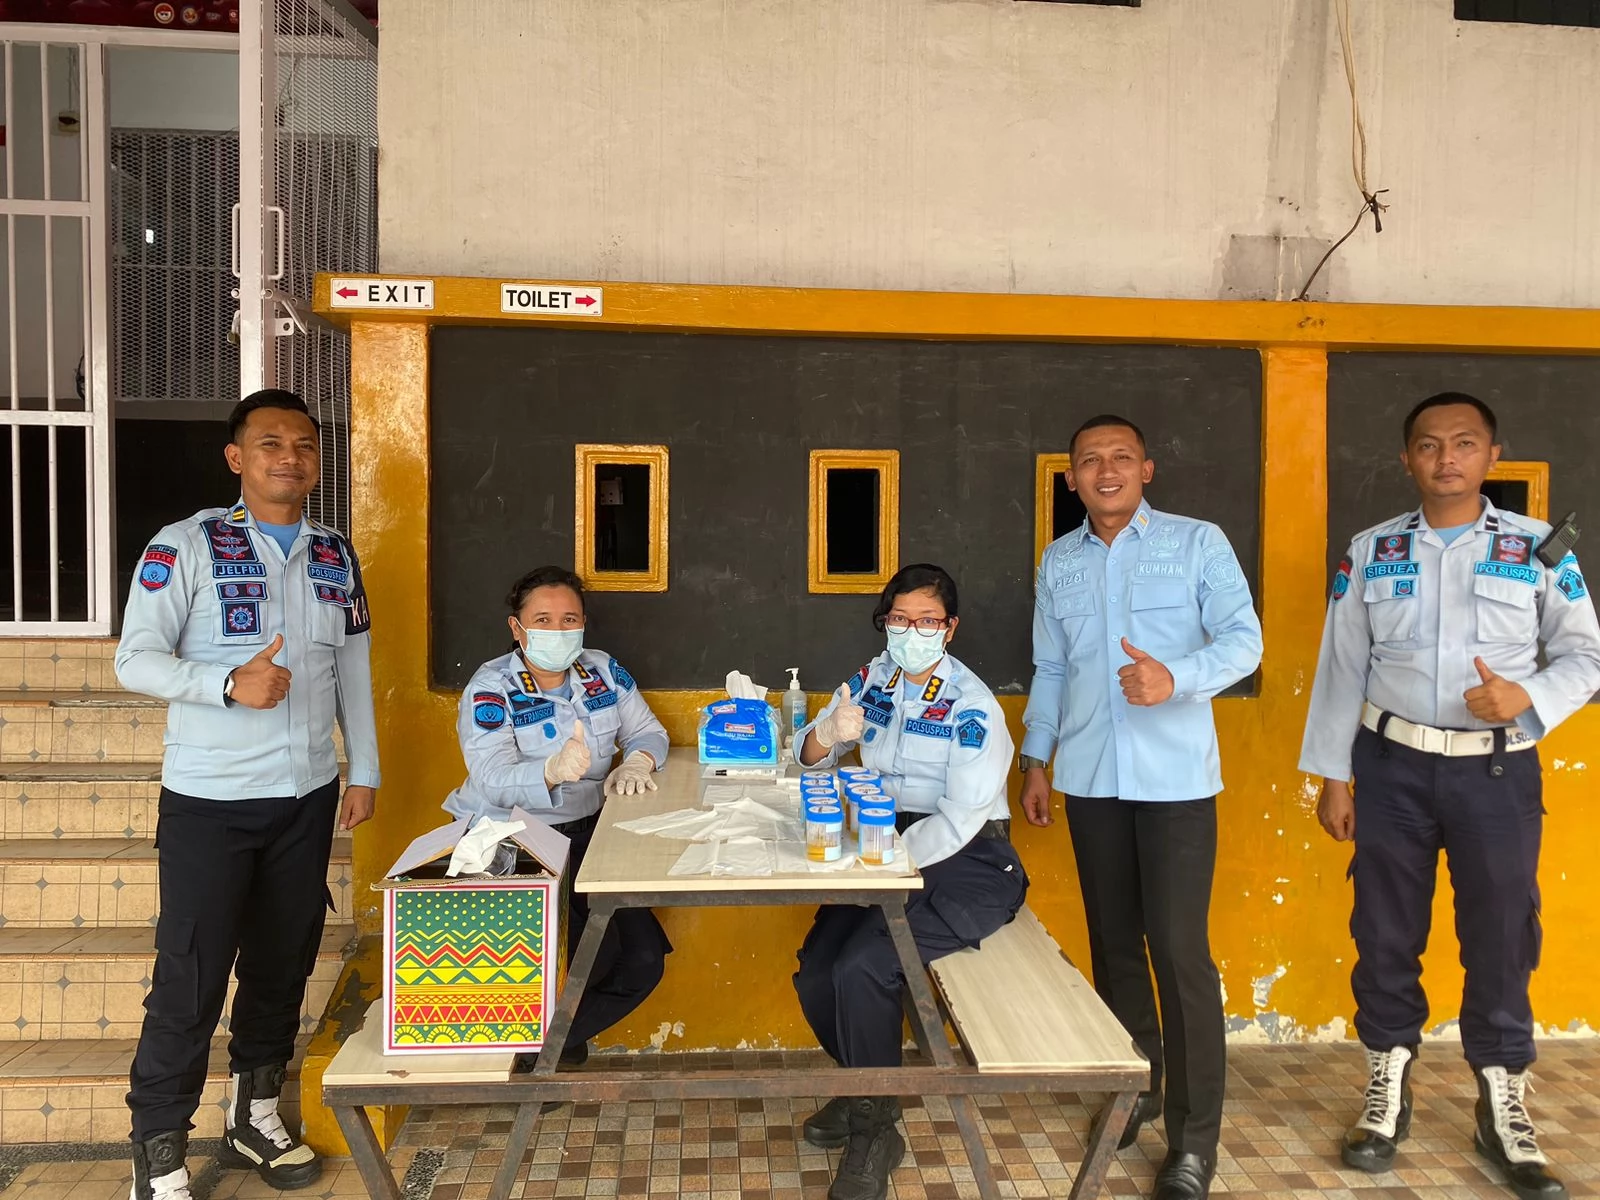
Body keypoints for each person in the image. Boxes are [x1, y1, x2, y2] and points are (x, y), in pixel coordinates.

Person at [1299, 393, 1600, 1200]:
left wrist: (1527, 697)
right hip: (1390, 767)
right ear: (1408, 459)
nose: (1447, 459)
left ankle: (1502, 1103)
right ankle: (1386, 1087)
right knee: (1384, 929)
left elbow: (1587, 656)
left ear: (1492, 457)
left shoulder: (1538, 548)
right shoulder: (1373, 551)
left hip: (1496, 773)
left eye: (1465, 444)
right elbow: (1341, 667)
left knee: (1501, 932)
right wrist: (1333, 775)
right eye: (1429, 445)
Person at [115, 389, 380, 1200]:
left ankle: (254, 1112)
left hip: (306, 795)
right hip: (210, 801)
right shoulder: (186, 545)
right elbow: (134, 660)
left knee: (281, 962)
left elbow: (354, 668)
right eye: (271, 443)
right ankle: (159, 1149)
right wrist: (227, 682)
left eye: (304, 445)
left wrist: (364, 768)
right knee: (191, 977)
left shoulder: (334, 553)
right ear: (237, 457)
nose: (290, 457)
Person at [1020, 414, 1262, 1200]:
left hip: (1176, 785)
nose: (1107, 470)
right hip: (1090, 780)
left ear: (1147, 469)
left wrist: (1176, 678)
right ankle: (1141, 1090)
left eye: (1121, 457)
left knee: (1180, 953)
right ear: (1071, 479)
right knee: (1116, 948)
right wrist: (1036, 759)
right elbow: (1051, 669)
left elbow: (1244, 640)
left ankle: (1193, 1140)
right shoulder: (1058, 561)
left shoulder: (1197, 543)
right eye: (1090, 460)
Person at [791, 563, 1028, 1200]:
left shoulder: (971, 705)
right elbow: (806, 757)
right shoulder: (873, 678)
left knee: (863, 967)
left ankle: (874, 1129)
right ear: (885, 622)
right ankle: (867, 1092)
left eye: (927, 621)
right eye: (900, 618)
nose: (911, 631)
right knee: (817, 972)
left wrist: (886, 860)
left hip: (965, 859)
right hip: (882, 844)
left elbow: (961, 816)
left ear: (950, 628)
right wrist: (826, 734)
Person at [443, 566, 672, 1065]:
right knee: (577, 959)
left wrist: (638, 760)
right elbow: (491, 778)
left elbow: (649, 732)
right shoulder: (491, 687)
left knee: (642, 961)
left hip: (591, 835)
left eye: (569, 619)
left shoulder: (602, 671)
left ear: (584, 622)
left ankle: (540, 1052)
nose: (558, 629)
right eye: (542, 620)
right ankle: (542, 1058)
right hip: (514, 840)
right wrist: (549, 771)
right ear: (517, 627)